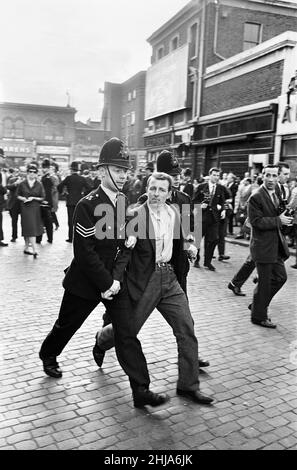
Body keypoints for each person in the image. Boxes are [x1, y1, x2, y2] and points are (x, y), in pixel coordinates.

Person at [39, 137, 169, 409]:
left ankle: (141, 389)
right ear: (101, 172)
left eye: (125, 171)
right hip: (85, 282)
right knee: (66, 325)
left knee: (127, 333)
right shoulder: (88, 204)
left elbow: (120, 238)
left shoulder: (123, 200)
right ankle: (48, 355)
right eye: (117, 170)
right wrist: (106, 281)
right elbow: (84, 252)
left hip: (115, 283)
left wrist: (128, 241)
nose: (123, 175)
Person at [95, 172, 214, 405]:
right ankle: (101, 338)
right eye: (153, 189)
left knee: (186, 328)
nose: (156, 194)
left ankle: (188, 386)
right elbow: (123, 252)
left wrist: (189, 247)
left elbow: (182, 238)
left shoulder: (174, 213)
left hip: (169, 279)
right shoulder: (134, 215)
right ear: (147, 189)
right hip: (144, 280)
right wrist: (114, 281)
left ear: (170, 194)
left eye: (161, 190)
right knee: (129, 329)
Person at [248, 164, 293, 329]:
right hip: (262, 247)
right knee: (265, 283)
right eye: (268, 175)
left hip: (276, 246)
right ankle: (259, 316)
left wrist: (285, 217)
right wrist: (278, 220)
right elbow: (256, 222)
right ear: (262, 175)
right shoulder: (256, 196)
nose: (271, 179)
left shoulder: (278, 192)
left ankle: (258, 303)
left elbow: (278, 213)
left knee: (280, 277)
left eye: (275, 176)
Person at [193, 168, 226, 271]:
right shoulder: (201, 187)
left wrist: (223, 210)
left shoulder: (220, 188)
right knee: (197, 240)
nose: (216, 177)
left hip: (214, 218)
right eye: (214, 175)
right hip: (202, 218)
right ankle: (196, 259)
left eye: (217, 175)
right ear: (210, 175)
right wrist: (199, 206)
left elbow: (222, 201)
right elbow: (193, 201)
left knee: (213, 240)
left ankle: (208, 262)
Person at [57, 161, 93, 243]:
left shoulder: (68, 178)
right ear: (78, 170)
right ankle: (78, 238)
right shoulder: (82, 178)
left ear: (71, 170)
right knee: (79, 220)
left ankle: (70, 238)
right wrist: (84, 195)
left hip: (70, 201)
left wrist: (63, 193)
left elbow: (59, 186)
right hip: (79, 201)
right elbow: (89, 188)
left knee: (70, 221)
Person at [16, 164, 45, 258]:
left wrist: (34, 198)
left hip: (35, 208)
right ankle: (33, 249)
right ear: (27, 173)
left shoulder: (39, 184)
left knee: (31, 228)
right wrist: (23, 198)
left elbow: (42, 197)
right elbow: (17, 195)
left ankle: (28, 248)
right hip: (25, 207)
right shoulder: (22, 183)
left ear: (36, 174)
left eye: (34, 172)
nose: (32, 174)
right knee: (28, 228)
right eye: (30, 172)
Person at [36, 159, 54, 244]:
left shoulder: (47, 177)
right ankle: (48, 238)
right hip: (46, 201)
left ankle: (41, 239)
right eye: (44, 167)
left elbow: (47, 191)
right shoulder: (48, 177)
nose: (44, 169)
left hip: (45, 201)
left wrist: (44, 200)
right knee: (46, 221)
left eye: (45, 168)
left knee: (43, 221)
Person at [6, 168, 22, 242]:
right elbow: (8, 187)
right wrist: (16, 183)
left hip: (22, 203)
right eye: (16, 172)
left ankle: (26, 236)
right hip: (13, 203)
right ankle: (14, 236)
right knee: (14, 221)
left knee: (24, 221)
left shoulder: (25, 181)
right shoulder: (12, 179)